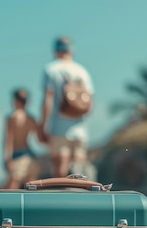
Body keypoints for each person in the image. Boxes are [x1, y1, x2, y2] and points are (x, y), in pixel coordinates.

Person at [38, 37, 94, 178]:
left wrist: (42, 127)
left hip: (59, 128)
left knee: (60, 172)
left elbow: (48, 102)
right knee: (79, 172)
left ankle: (62, 198)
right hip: (80, 129)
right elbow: (90, 105)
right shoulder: (82, 71)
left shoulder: (51, 69)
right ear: (72, 51)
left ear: (55, 51)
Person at [3, 88, 42, 189]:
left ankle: (5, 205)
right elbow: (39, 139)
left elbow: (9, 140)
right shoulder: (31, 119)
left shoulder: (13, 117)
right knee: (31, 187)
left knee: (12, 186)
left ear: (15, 101)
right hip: (31, 156)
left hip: (18, 156)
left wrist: (8, 159)